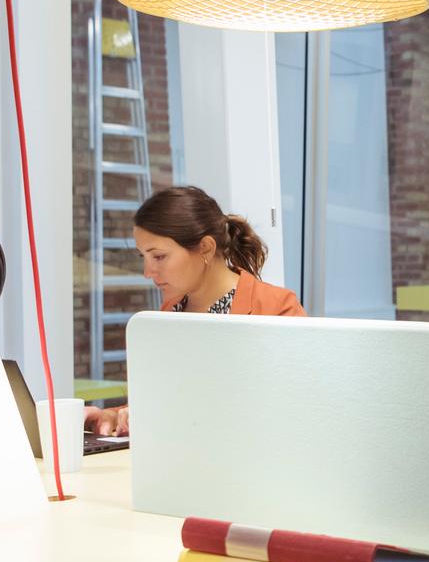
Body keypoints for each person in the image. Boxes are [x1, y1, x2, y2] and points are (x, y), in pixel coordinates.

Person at [86, 186, 303, 437]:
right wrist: (118, 416)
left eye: (158, 257)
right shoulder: (169, 312)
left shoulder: (278, 309)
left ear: (206, 249)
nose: (147, 272)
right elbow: (166, 399)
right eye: (143, 257)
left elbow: (292, 410)